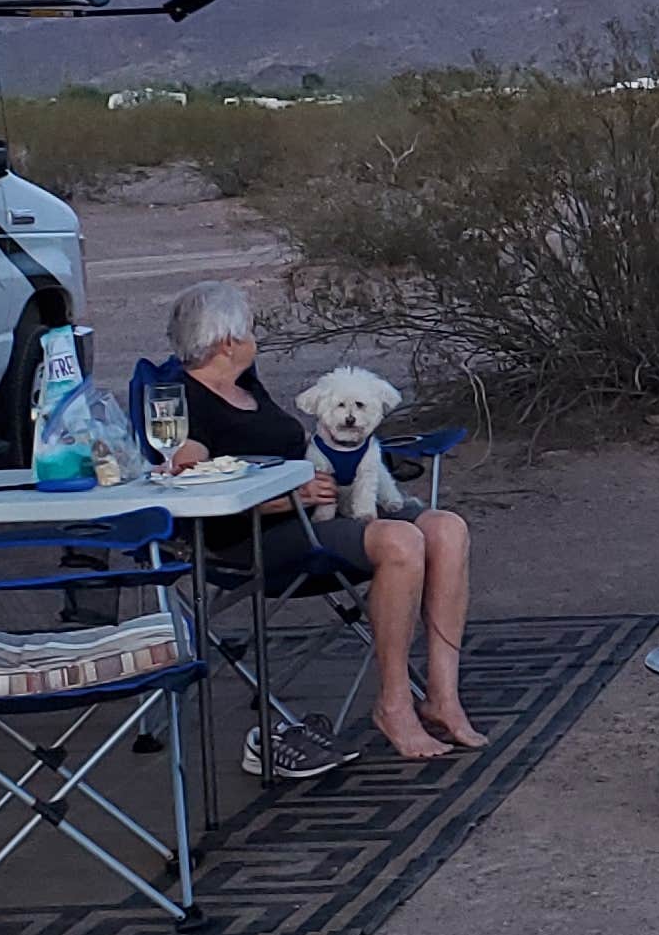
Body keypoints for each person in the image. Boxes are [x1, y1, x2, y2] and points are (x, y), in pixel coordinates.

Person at [160, 281, 480, 763]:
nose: (254, 337)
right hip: (255, 537)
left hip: (317, 514)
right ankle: (394, 704)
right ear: (226, 340)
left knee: (447, 528)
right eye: (248, 328)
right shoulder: (188, 400)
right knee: (400, 541)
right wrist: (286, 497)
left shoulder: (243, 383)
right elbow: (192, 481)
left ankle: (442, 697)